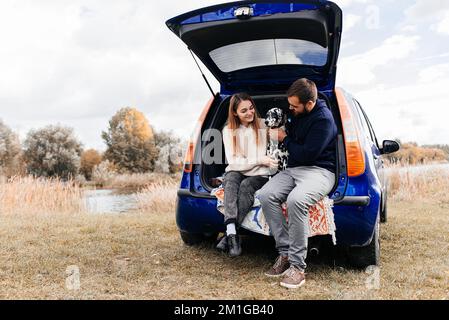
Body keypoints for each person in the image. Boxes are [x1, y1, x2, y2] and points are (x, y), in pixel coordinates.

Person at [258, 78, 337, 289]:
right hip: (294, 169)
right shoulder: (296, 113)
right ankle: (284, 252)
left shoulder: (324, 120)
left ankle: (297, 267)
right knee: (265, 195)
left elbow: (307, 153)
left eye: (294, 106)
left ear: (309, 104)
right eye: (290, 105)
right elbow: (295, 149)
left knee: (296, 200)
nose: (290, 109)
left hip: (319, 170)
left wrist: (283, 138)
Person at [217, 92, 278, 257]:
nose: (250, 112)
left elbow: (274, 153)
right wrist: (259, 160)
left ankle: (230, 234)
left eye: (251, 108)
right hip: (243, 169)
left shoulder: (264, 125)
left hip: (261, 174)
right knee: (230, 178)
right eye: (244, 111)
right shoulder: (228, 131)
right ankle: (232, 233)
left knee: (245, 186)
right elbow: (234, 162)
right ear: (235, 113)